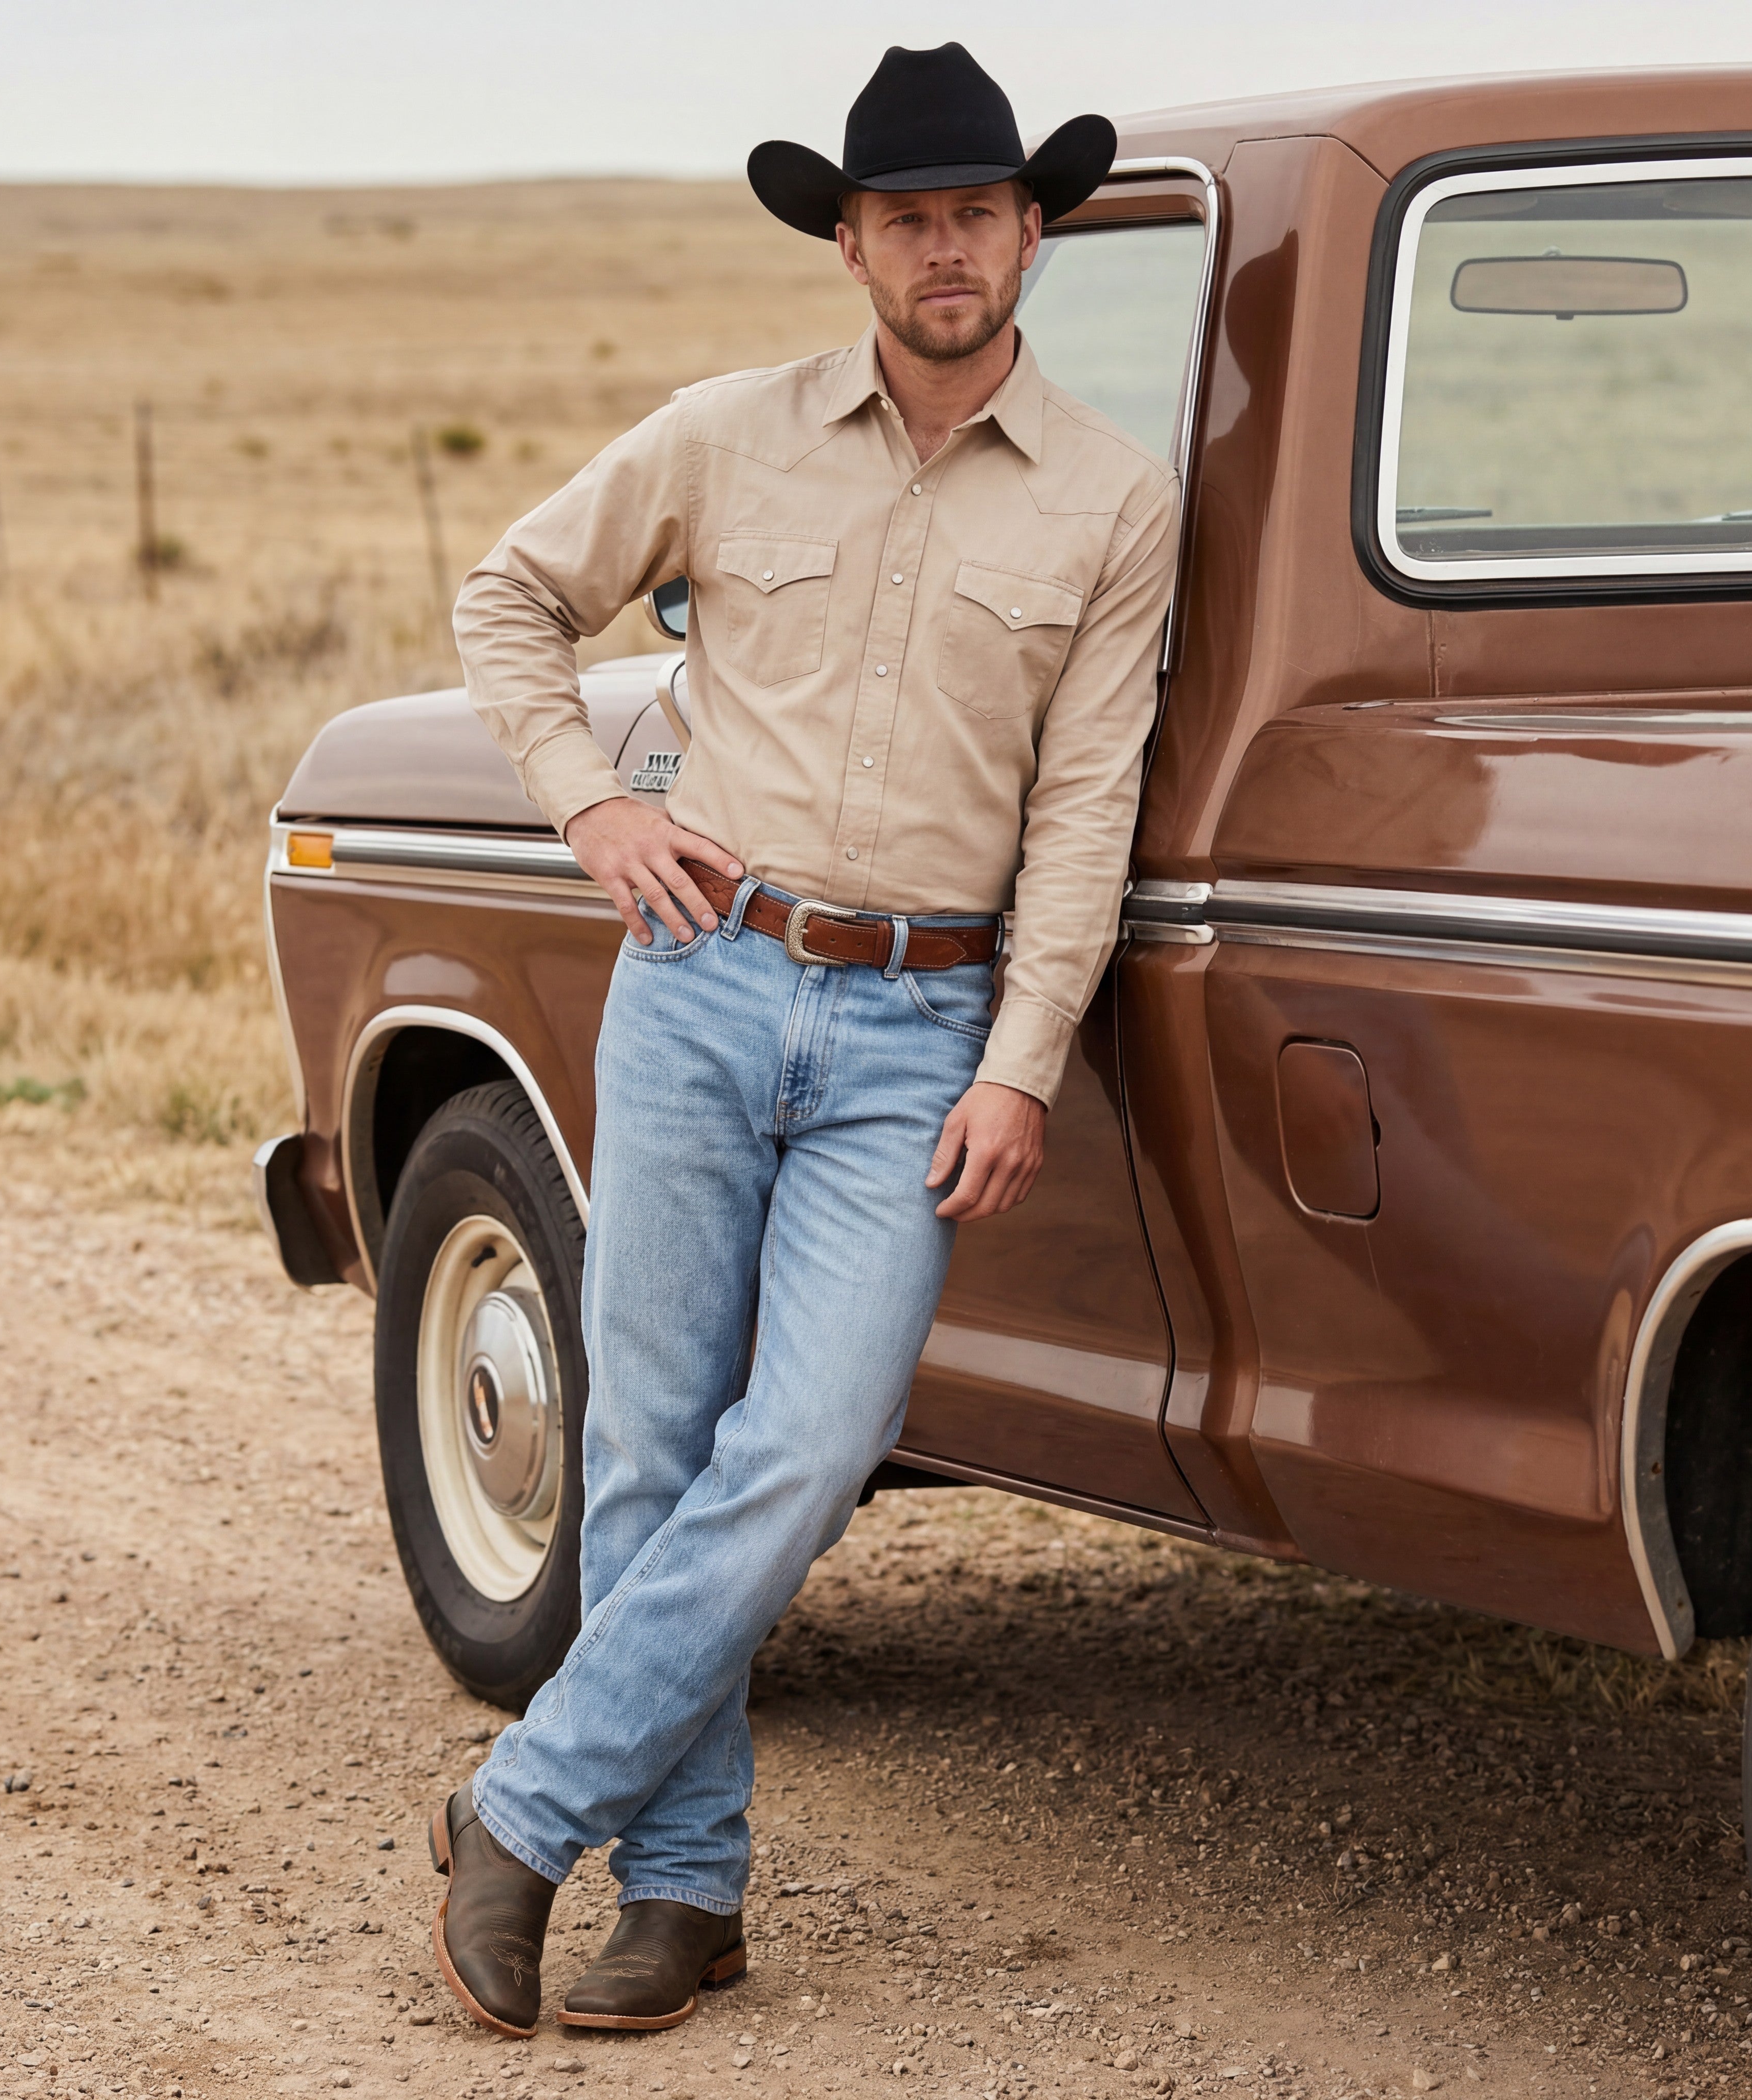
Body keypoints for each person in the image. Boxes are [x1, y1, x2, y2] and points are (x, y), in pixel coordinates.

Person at [431, 39, 1181, 2039]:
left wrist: (1022, 1055)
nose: (948, 249)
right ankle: (681, 1892)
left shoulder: (1116, 500)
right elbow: (508, 596)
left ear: (1036, 231)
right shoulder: (723, 435)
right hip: (699, 981)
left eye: (981, 212)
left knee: (817, 1438)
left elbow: (1087, 805)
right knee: (651, 1449)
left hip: (917, 1025)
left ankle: (523, 1806)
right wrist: (590, 796)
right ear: (848, 242)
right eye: (908, 217)